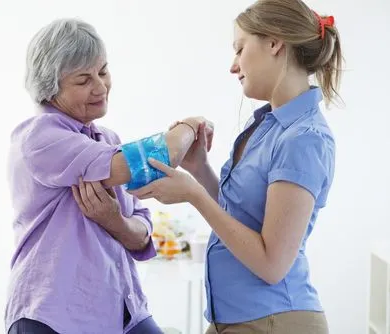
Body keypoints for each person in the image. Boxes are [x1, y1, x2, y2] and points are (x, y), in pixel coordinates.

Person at [128, 0, 342, 333]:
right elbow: (242, 216)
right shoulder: (264, 126)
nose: (233, 66)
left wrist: (194, 195)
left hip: (274, 321)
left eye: (240, 49)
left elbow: (272, 264)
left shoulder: (304, 138)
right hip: (239, 319)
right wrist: (199, 170)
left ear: (274, 43)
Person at [5, 18, 212, 334]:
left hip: (122, 310)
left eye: (102, 71)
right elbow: (149, 161)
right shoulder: (40, 137)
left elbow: (142, 227)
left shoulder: (108, 140)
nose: (100, 87)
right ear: (50, 87)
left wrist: (114, 221)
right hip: (53, 315)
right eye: (83, 79)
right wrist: (189, 127)